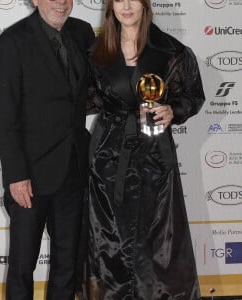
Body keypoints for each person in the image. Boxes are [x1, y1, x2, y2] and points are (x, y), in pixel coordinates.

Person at [83, 0, 205, 299]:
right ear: (110, 6)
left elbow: (193, 95)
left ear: (145, 4)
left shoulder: (171, 51)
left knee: (160, 242)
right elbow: (85, 98)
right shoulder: (95, 51)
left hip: (155, 157)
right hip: (108, 158)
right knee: (107, 241)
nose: (126, 6)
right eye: (118, 0)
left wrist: (172, 109)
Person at [0, 0, 95, 298]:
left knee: (67, 266)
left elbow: (101, 86)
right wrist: (16, 174)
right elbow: (5, 116)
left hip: (74, 172)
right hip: (31, 177)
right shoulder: (13, 40)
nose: (60, 2)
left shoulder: (83, 32)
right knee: (23, 266)